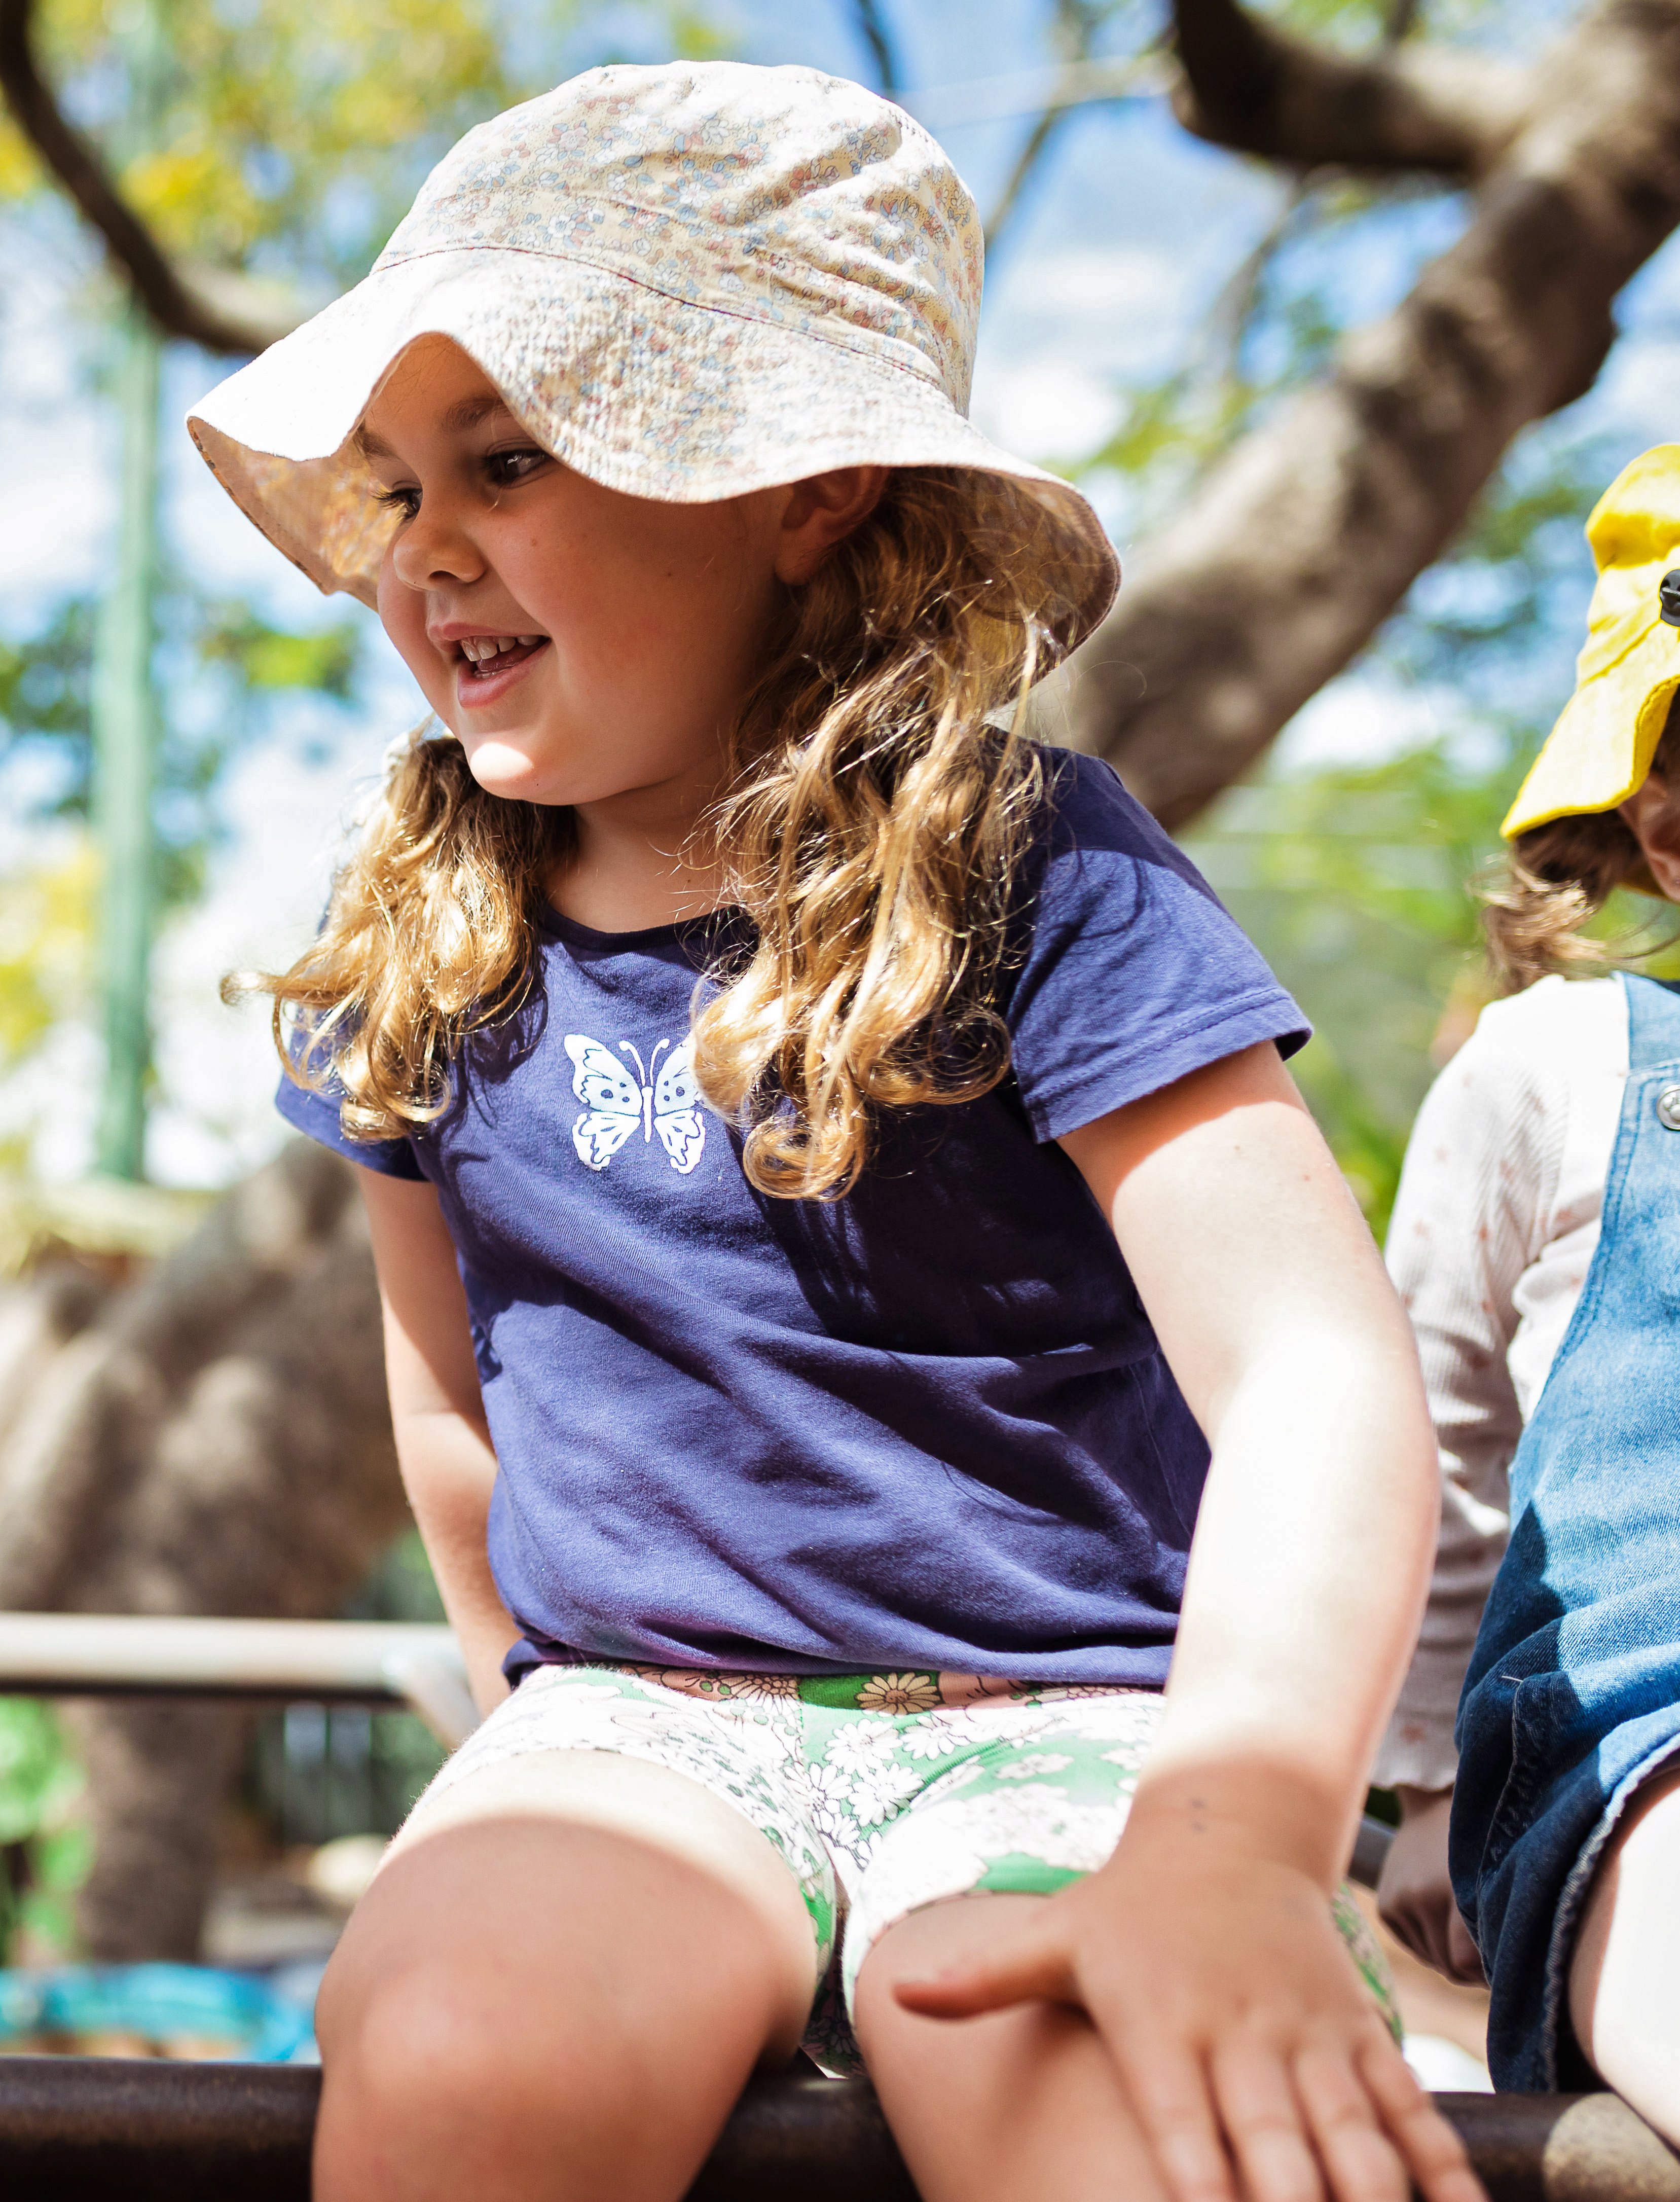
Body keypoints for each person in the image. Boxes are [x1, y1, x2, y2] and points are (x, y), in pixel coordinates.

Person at [195, 62, 1475, 2202]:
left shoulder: (1031, 864)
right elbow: (456, 1414)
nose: (428, 552)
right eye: (399, 487)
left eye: (510, 459)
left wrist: (1235, 1839)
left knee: (1109, 2094)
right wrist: (528, 1725)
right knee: (459, 2047)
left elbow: (1323, 1384)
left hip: (1070, 1707)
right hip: (635, 1718)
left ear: (807, 494)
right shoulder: (427, 919)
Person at [1366, 445, 1680, 2125]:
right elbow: (1435, 1441)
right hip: (1651, 1728)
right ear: (1668, 826)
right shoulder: (1567, 1063)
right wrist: (1422, 1779)